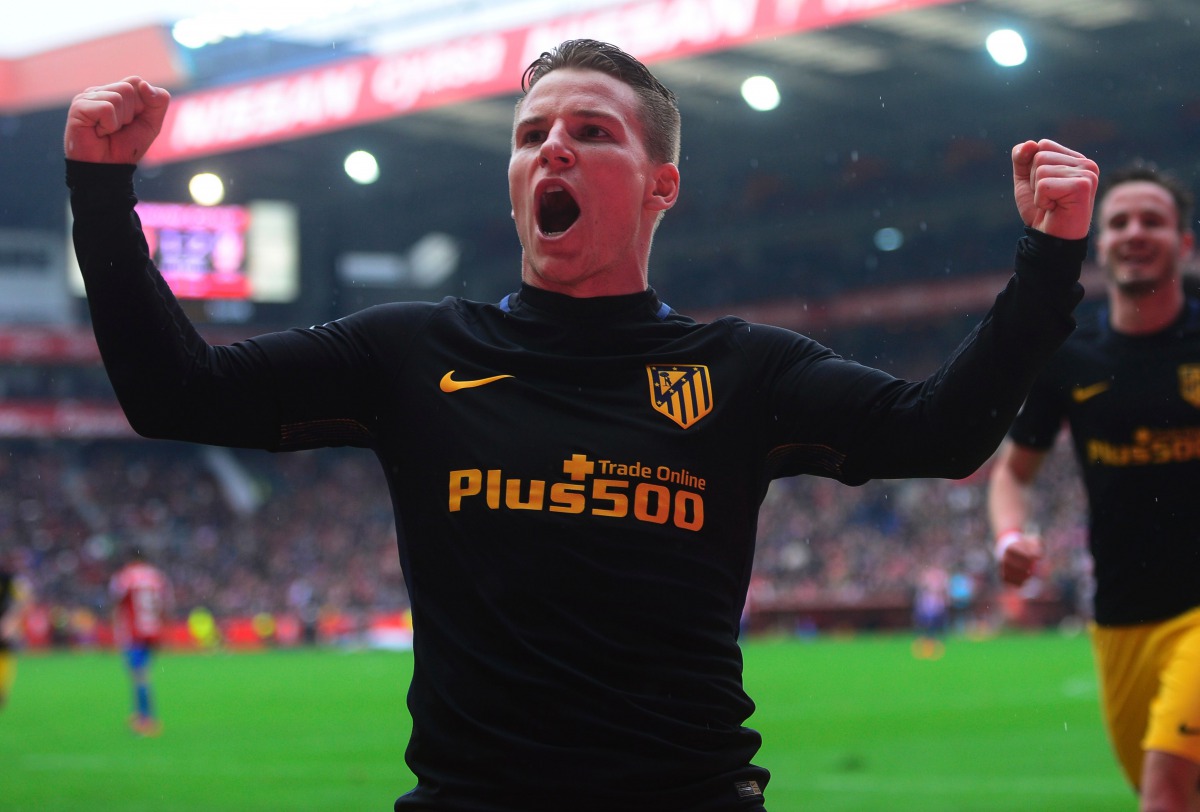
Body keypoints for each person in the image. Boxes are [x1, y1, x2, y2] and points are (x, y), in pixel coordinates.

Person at [64, 39, 1097, 811]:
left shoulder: (742, 369)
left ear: (661, 186)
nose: (552, 145)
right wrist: (103, 197)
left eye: (592, 131)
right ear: (514, 181)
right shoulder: (411, 351)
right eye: (530, 136)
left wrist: (1048, 263)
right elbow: (176, 395)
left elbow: (941, 431)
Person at [988, 162, 1200, 812]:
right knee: (1161, 788)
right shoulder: (1070, 357)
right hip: (1121, 618)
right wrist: (1010, 536)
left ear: (1184, 243)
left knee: (1165, 788)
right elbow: (1013, 473)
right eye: (1120, 222)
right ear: (1099, 244)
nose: (1135, 232)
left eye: (1152, 221)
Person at [109, 548, 173, 736]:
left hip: (134, 633)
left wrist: (115, 625)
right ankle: (140, 714)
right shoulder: (157, 576)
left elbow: (116, 601)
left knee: (139, 675)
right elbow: (165, 604)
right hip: (153, 631)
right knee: (142, 673)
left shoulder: (125, 576)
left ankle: (147, 719)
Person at [0, 556, 33, 710]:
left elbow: (24, 601)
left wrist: (10, 622)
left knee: (4, 653)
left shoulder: (9, 580)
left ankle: (2, 690)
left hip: (5, 626)